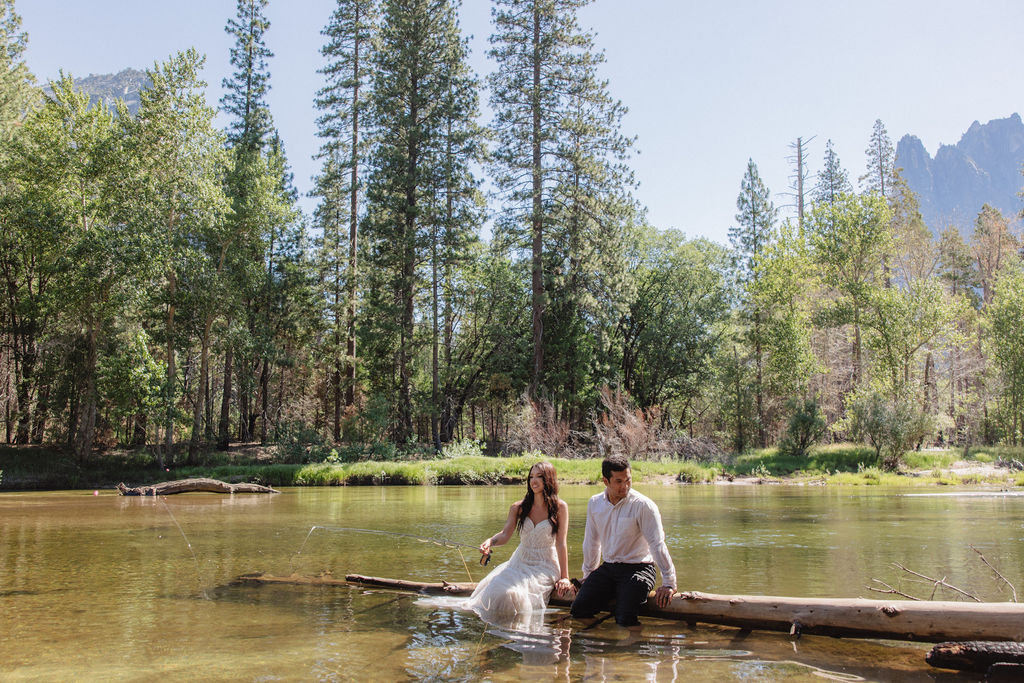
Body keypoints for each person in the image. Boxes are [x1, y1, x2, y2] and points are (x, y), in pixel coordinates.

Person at [570, 455, 677, 628]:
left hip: (640, 567)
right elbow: (591, 542)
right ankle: (598, 643)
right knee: (579, 609)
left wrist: (669, 583)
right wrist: (588, 575)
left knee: (625, 616)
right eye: (619, 481)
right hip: (609, 567)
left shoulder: (643, 505)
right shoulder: (595, 503)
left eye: (628, 480)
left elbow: (657, 544)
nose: (625, 486)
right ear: (606, 481)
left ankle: (633, 651)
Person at [464, 461, 576, 617]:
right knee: (499, 590)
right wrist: (490, 541)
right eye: (531, 477)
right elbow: (505, 535)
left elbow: (561, 543)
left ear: (549, 479)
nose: (534, 481)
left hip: (545, 564)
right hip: (520, 561)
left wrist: (564, 577)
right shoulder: (518, 507)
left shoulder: (560, 507)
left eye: (539, 477)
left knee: (517, 594)